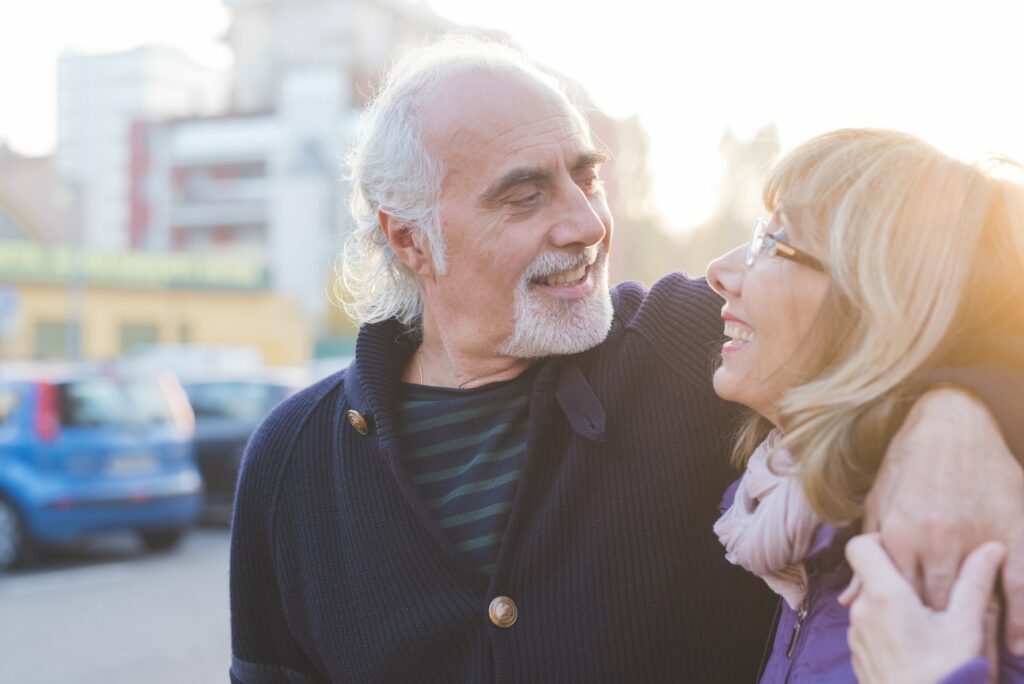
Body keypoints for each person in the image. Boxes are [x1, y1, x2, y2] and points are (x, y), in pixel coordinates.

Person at [230, 39, 1024, 683]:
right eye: (524, 195)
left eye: (587, 177)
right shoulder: (289, 465)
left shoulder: (698, 342)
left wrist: (955, 413)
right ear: (409, 239)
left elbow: (922, 300)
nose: (587, 225)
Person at [710, 129, 1024, 681]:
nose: (718, 272)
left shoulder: (975, 546)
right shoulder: (806, 530)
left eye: (773, 240)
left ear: (874, 305)